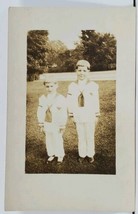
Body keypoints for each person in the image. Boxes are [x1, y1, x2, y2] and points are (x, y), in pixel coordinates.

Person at [67, 60, 100, 163]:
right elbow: (70, 101)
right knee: (81, 135)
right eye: (79, 70)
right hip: (78, 114)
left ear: (88, 72)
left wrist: (96, 114)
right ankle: (82, 154)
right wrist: (71, 114)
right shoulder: (72, 86)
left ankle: (90, 154)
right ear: (76, 71)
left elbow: (96, 101)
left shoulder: (93, 85)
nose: (82, 73)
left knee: (90, 135)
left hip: (89, 114)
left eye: (84, 70)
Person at [37, 77, 67, 164]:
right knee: (48, 138)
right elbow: (40, 111)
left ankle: (60, 155)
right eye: (47, 86)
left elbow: (63, 112)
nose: (49, 88)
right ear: (45, 87)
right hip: (47, 122)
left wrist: (62, 125)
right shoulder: (42, 98)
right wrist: (41, 123)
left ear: (56, 86)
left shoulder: (61, 98)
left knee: (57, 138)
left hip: (57, 123)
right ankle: (51, 154)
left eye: (51, 86)